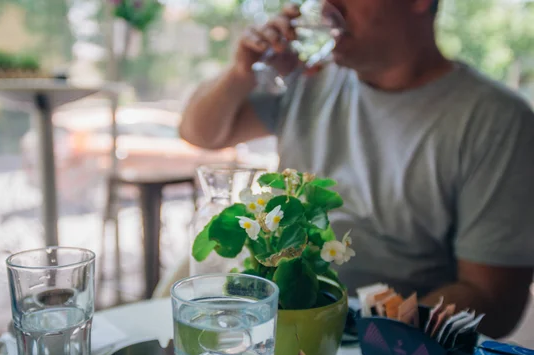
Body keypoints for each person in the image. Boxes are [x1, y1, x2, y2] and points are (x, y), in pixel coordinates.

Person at [179, 0, 534, 338]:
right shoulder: (308, 77)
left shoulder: (496, 121)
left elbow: (493, 297)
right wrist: (242, 72)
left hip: (389, 347)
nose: (326, 6)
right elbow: (200, 132)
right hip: (276, 319)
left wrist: (369, 335)